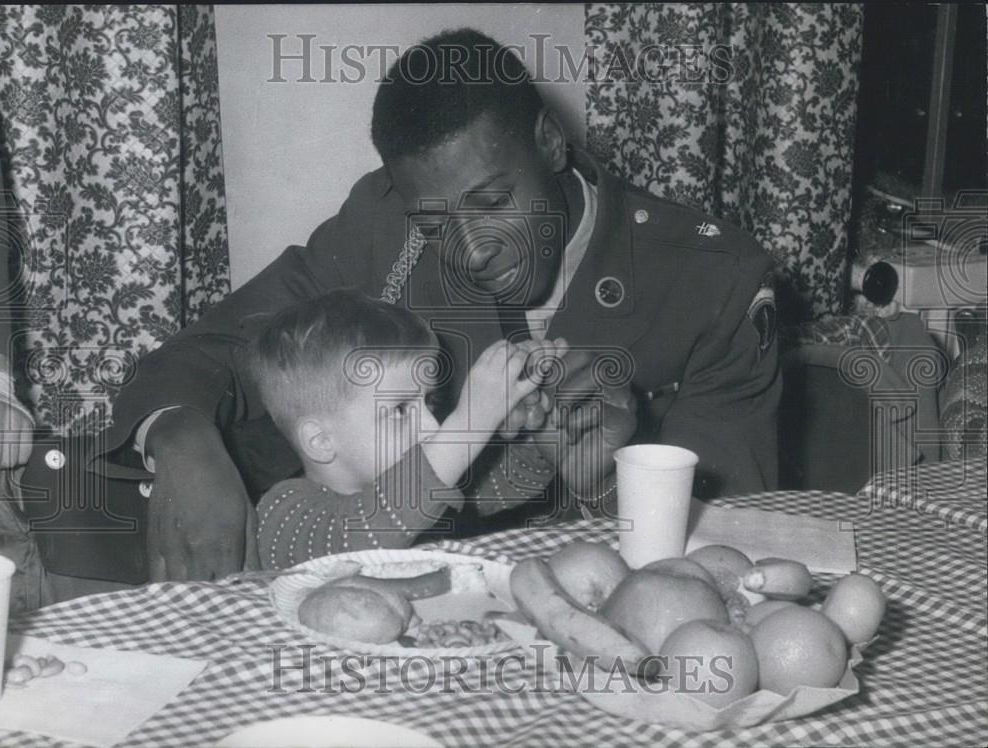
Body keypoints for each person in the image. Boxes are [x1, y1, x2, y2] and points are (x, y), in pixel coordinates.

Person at [98, 28, 779, 583]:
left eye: (491, 203)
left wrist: (611, 480)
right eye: (433, 224)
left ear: (550, 141)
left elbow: (736, 555)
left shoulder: (711, 282)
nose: (470, 249)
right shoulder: (382, 224)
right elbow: (218, 346)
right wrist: (178, 432)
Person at [246, 289, 565, 569]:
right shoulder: (284, 514)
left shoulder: (415, 493)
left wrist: (537, 437)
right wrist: (471, 423)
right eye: (400, 410)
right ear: (320, 440)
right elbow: (364, 532)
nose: (431, 426)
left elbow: (497, 485)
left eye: (429, 402)